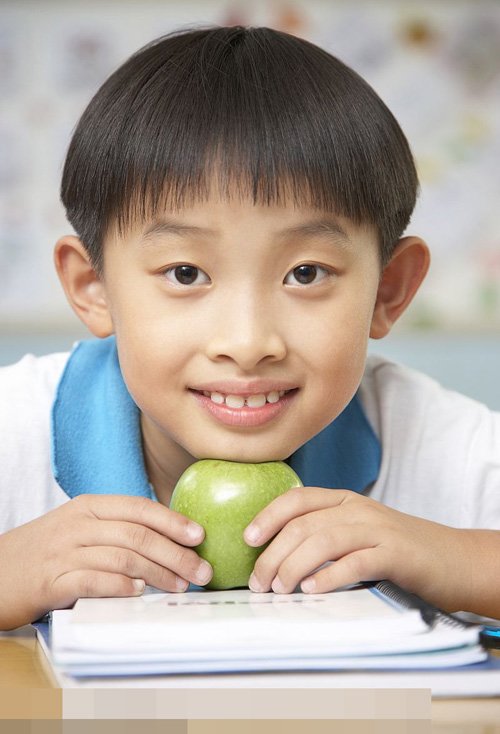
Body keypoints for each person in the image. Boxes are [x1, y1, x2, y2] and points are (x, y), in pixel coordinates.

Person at [0, 25, 498, 632]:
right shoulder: (15, 432)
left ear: (387, 291)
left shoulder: (444, 445)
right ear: (93, 287)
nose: (247, 343)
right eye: (186, 273)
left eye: (306, 272)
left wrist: (460, 559)